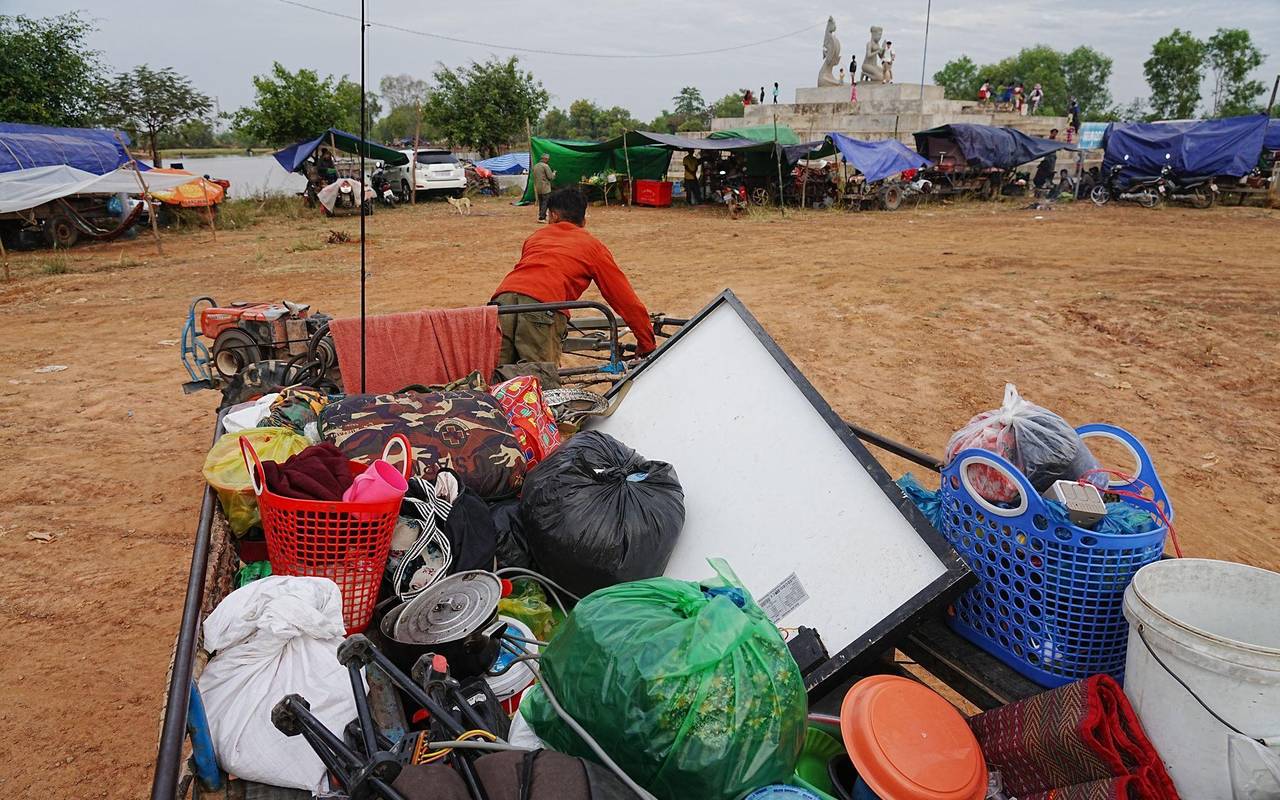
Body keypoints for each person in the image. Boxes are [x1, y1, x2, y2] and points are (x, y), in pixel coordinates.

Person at [491, 187, 656, 365]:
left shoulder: (535, 237)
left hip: (501, 303)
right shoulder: (592, 246)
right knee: (539, 379)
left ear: (553, 216)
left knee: (496, 374)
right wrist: (646, 342)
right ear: (583, 220)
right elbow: (623, 297)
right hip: (543, 306)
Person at [531, 154, 556, 222]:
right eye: (547, 159)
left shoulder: (536, 166)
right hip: (545, 187)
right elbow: (550, 177)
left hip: (538, 187)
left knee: (541, 202)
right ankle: (542, 217)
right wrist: (554, 173)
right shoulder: (545, 166)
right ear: (545, 159)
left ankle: (541, 215)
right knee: (545, 202)